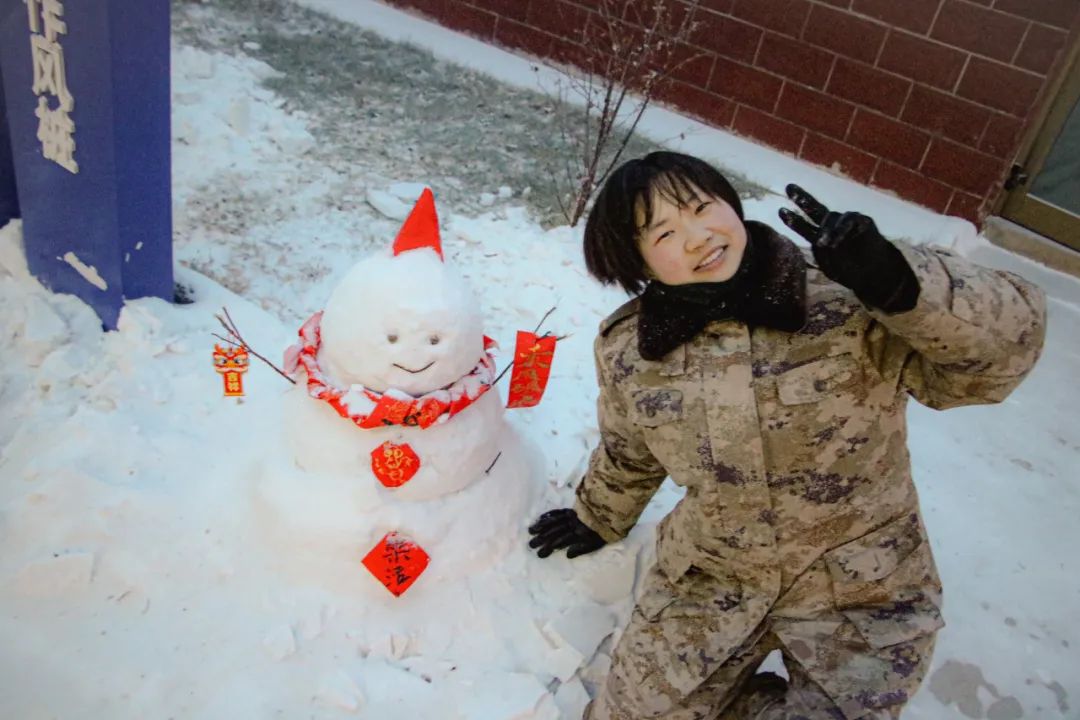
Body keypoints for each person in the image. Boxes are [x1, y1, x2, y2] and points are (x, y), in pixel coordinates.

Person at [527, 151, 1047, 719]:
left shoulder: (848, 294)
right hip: (713, 578)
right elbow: (630, 451)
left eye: (704, 208)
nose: (700, 237)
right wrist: (597, 515)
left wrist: (899, 281)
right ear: (639, 261)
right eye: (666, 232)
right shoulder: (632, 350)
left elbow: (1000, 359)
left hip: (861, 592)